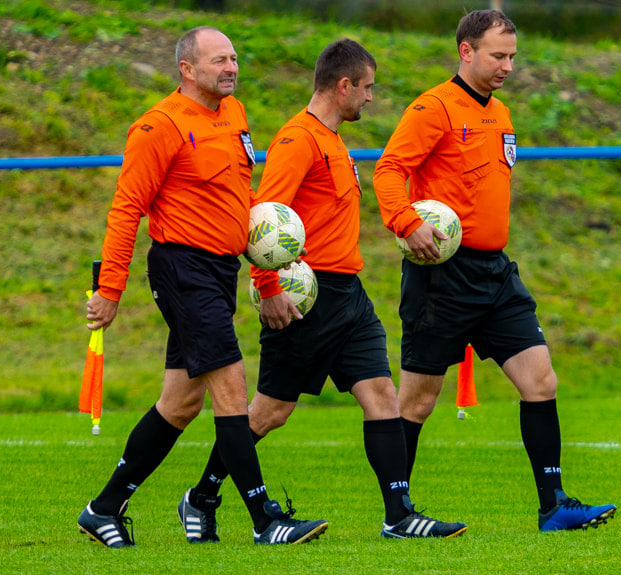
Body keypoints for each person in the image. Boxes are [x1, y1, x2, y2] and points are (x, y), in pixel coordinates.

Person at [177, 38, 467, 542]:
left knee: (381, 396)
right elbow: (262, 222)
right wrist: (268, 288)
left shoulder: (334, 140)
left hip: (349, 295)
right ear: (344, 85)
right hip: (305, 297)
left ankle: (399, 515)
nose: (372, 98)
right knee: (270, 411)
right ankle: (200, 497)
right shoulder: (298, 140)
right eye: (368, 88)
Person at [76, 26, 327, 548]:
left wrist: (267, 273)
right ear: (187, 70)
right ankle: (266, 520)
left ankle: (102, 509)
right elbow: (126, 210)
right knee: (232, 390)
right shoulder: (157, 127)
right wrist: (111, 290)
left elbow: (244, 205)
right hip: (182, 270)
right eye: (218, 60)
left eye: (233, 58)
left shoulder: (234, 115)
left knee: (180, 404)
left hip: (219, 272)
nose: (231, 67)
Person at [372, 10, 617, 532]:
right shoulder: (433, 107)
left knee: (541, 380)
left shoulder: (501, 113)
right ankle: (397, 514)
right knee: (417, 399)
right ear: (466, 51)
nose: (507, 65)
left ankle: (553, 505)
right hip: (442, 276)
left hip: (496, 275)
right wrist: (405, 220)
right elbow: (390, 168)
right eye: (497, 55)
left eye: (512, 56)